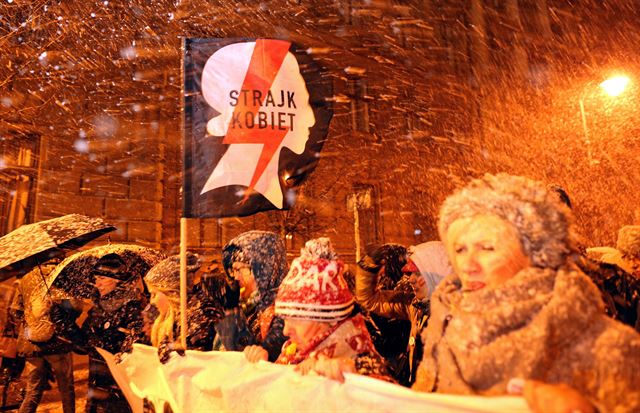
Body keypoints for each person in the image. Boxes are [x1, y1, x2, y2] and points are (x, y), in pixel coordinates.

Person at [412, 173, 640, 413]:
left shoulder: (603, 348)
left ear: (534, 252)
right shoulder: (446, 336)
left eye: (487, 248)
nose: (468, 265)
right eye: (459, 249)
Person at [244, 237, 390, 382]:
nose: (285, 331)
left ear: (326, 319)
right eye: (286, 320)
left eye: (296, 320)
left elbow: (385, 392)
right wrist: (263, 367)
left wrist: (355, 373)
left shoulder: (352, 357)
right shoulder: (294, 350)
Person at [357, 241, 452, 385]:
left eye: (417, 273)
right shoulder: (415, 307)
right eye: (410, 273)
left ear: (438, 273)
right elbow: (369, 300)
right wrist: (369, 266)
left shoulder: (459, 319)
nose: (411, 279)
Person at [82, 254, 149, 413]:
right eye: (96, 278)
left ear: (117, 279)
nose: (97, 284)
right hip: (97, 379)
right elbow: (85, 339)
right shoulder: (98, 306)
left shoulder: (130, 306)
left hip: (117, 383)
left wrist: (111, 346)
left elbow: (135, 342)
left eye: (102, 279)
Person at [11, 263, 82, 413]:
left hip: (32, 343)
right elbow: (75, 309)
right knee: (66, 389)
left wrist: (33, 322)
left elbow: (16, 311)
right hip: (58, 343)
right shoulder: (62, 276)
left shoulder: (26, 279)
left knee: (33, 390)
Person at [214, 230, 288, 361]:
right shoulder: (248, 305)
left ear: (264, 271)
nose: (236, 277)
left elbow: (263, 357)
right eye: (233, 270)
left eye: (240, 269)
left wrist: (236, 331)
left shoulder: (284, 310)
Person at [144, 253, 224, 362]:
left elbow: (197, 356)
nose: (151, 301)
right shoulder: (175, 317)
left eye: (154, 294)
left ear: (171, 292)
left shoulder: (200, 313)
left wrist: (175, 348)